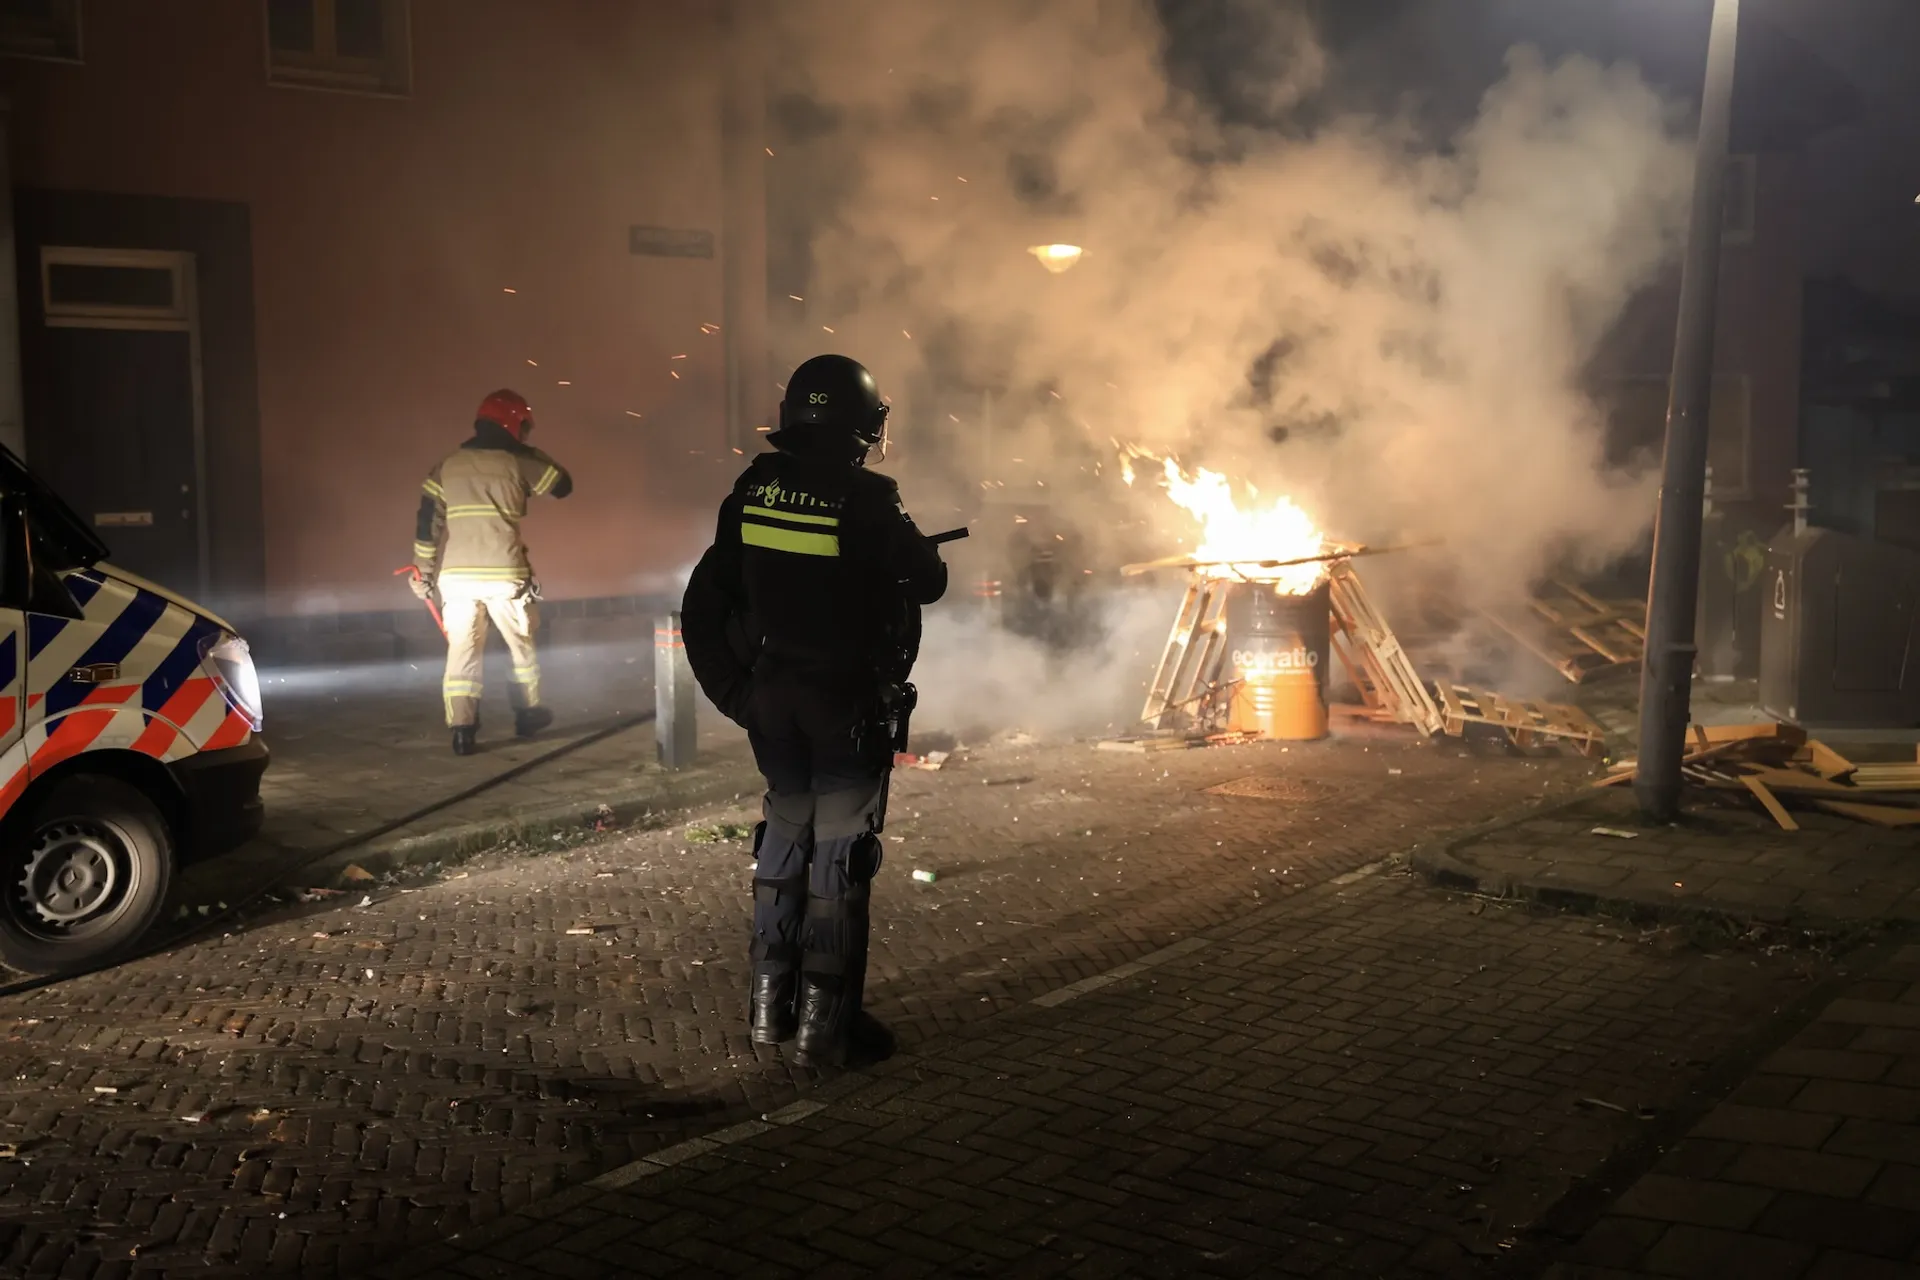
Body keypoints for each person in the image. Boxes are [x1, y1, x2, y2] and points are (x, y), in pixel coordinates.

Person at [681, 354, 947, 1067]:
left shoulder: (753, 487)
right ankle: (826, 1031)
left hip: (772, 705)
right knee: (840, 853)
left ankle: (770, 1011)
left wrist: (738, 696)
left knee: (784, 838)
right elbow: (928, 581)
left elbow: (709, 598)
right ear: (865, 425)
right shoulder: (869, 497)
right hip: (842, 705)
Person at [411, 389, 573, 755]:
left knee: (463, 651)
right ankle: (527, 715)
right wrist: (525, 453)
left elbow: (427, 523)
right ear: (514, 425)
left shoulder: (447, 465)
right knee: (520, 646)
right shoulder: (518, 461)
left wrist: (423, 572)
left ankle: (462, 730)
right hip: (504, 574)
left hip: (457, 579)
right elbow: (563, 485)